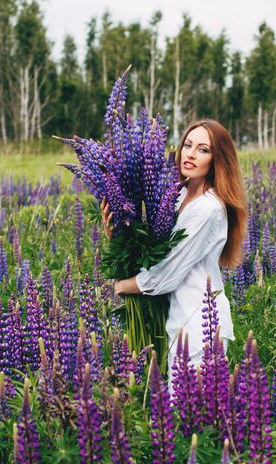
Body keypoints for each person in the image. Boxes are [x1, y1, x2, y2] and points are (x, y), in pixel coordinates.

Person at [101, 118, 248, 382]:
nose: (190, 154)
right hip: (177, 324)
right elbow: (151, 246)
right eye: (188, 145)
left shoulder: (208, 208)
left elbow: (167, 272)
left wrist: (122, 286)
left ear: (218, 159)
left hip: (201, 329)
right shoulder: (178, 196)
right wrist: (116, 233)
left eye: (203, 149)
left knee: (190, 418)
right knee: (175, 415)